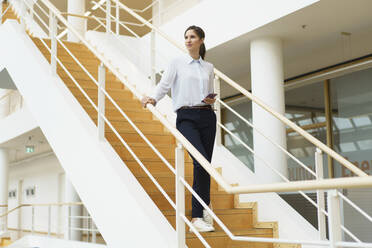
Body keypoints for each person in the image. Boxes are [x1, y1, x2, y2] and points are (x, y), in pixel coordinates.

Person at [141, 25, 216, 232]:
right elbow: (164, 85)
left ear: (201, 40)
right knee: (199, 162)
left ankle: (204, 206)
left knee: (206, 166)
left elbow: (209, 91)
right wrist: (153, 99)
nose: (188, 40)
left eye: (192, 37)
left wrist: (209, 98)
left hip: (208, 116)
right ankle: (196, 217)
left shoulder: (208, 67)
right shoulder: (177, 63)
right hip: (186, 118)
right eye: (186, 37)